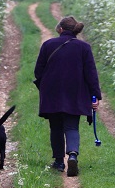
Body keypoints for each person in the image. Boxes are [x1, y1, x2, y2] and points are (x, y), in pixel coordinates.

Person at [33, 16, 102, 177]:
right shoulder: (84, 47)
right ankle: (72, 155)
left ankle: (58, 162)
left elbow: (38, 71)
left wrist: (44, 85)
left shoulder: (48, 45)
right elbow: (91, 74)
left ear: (61, 29)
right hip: (75, 92)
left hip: (52, 92)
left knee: (55, 127)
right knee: (71, 126)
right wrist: (95, 95)